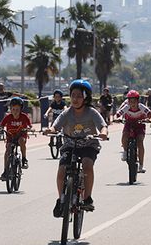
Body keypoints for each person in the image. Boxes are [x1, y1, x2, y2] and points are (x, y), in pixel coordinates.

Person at [44, 80, 108, 216]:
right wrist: (50, 130)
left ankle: (87, 198)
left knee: (87, 165)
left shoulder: (92, 112)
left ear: (86, 98)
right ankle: (61, 199)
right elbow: (55, 126)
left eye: (79, 96)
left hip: (88, 145)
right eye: (73, 95)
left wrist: (103, 133)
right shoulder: (66, 113)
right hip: (69, 144)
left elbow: (103, 126)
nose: (75, 99)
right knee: (62, 170)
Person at [114, 90, 151, 173]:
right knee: (125, 135)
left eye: (134, 101)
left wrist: (149, 120)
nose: (132, 103)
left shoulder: (142, 107)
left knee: (140, 142)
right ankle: (125, 152)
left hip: (140, 125)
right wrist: (116, 118)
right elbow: (117, 114)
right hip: (128, 124)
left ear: (138, 101)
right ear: (128, 102)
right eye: (130, 101)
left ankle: (141, 166)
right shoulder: (126, 107)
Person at [0, 97, 32, 181]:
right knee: (8, 150)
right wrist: (0, 128)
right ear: (10, 109)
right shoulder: (8, 117)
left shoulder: (24, 116)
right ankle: (5, 171)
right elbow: (1, 125)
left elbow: (29, 125)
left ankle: (24, 159)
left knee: (21, 141)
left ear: (21, 109)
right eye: (13, 109)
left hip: (21, 136)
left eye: (17, 109)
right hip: (10, 137)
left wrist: (30, 128)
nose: (15, 111)